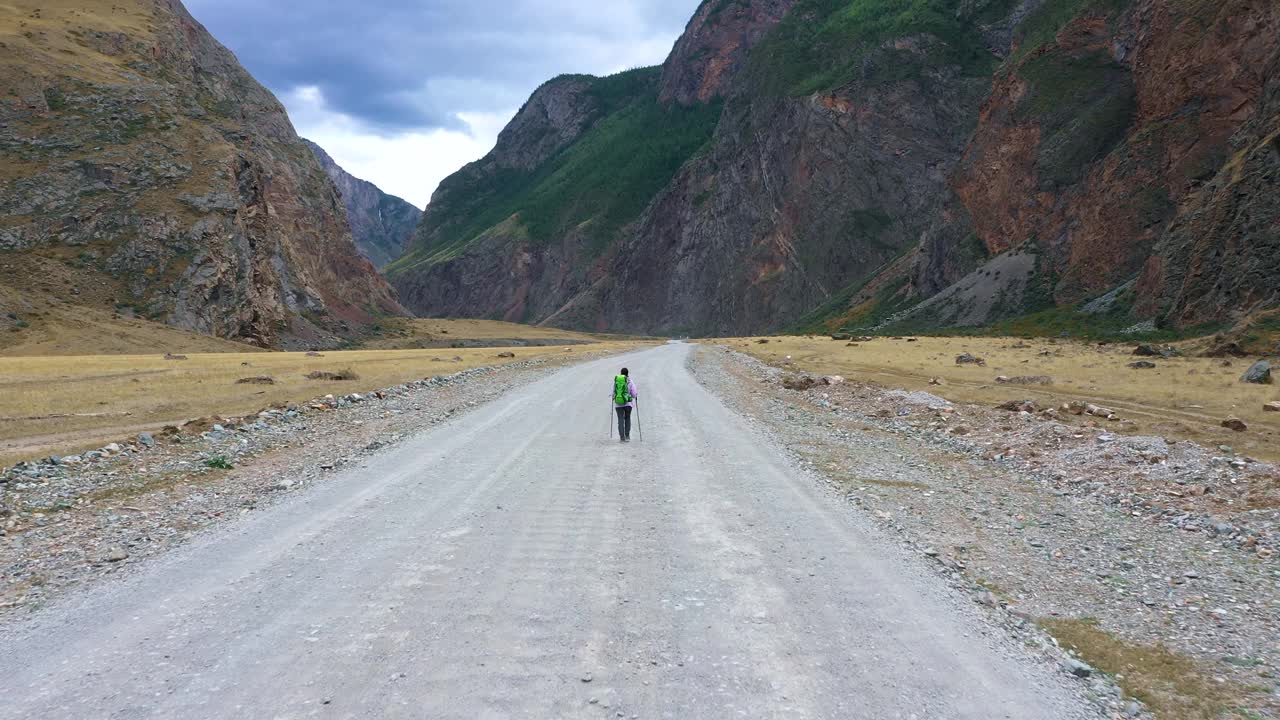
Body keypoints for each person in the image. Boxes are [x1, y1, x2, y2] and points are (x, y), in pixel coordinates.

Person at [612, 367, 638, 442]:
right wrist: (635, 396)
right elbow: (634, 394)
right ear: (627, 373)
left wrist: (613, 397)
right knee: (627, 418)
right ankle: (627, 436)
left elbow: (613, 392)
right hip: (628, 404)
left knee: (620, 420)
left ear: (621, 373)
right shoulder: (630, 381)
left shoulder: (616, 381)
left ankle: (621, 437)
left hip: (618, 403)